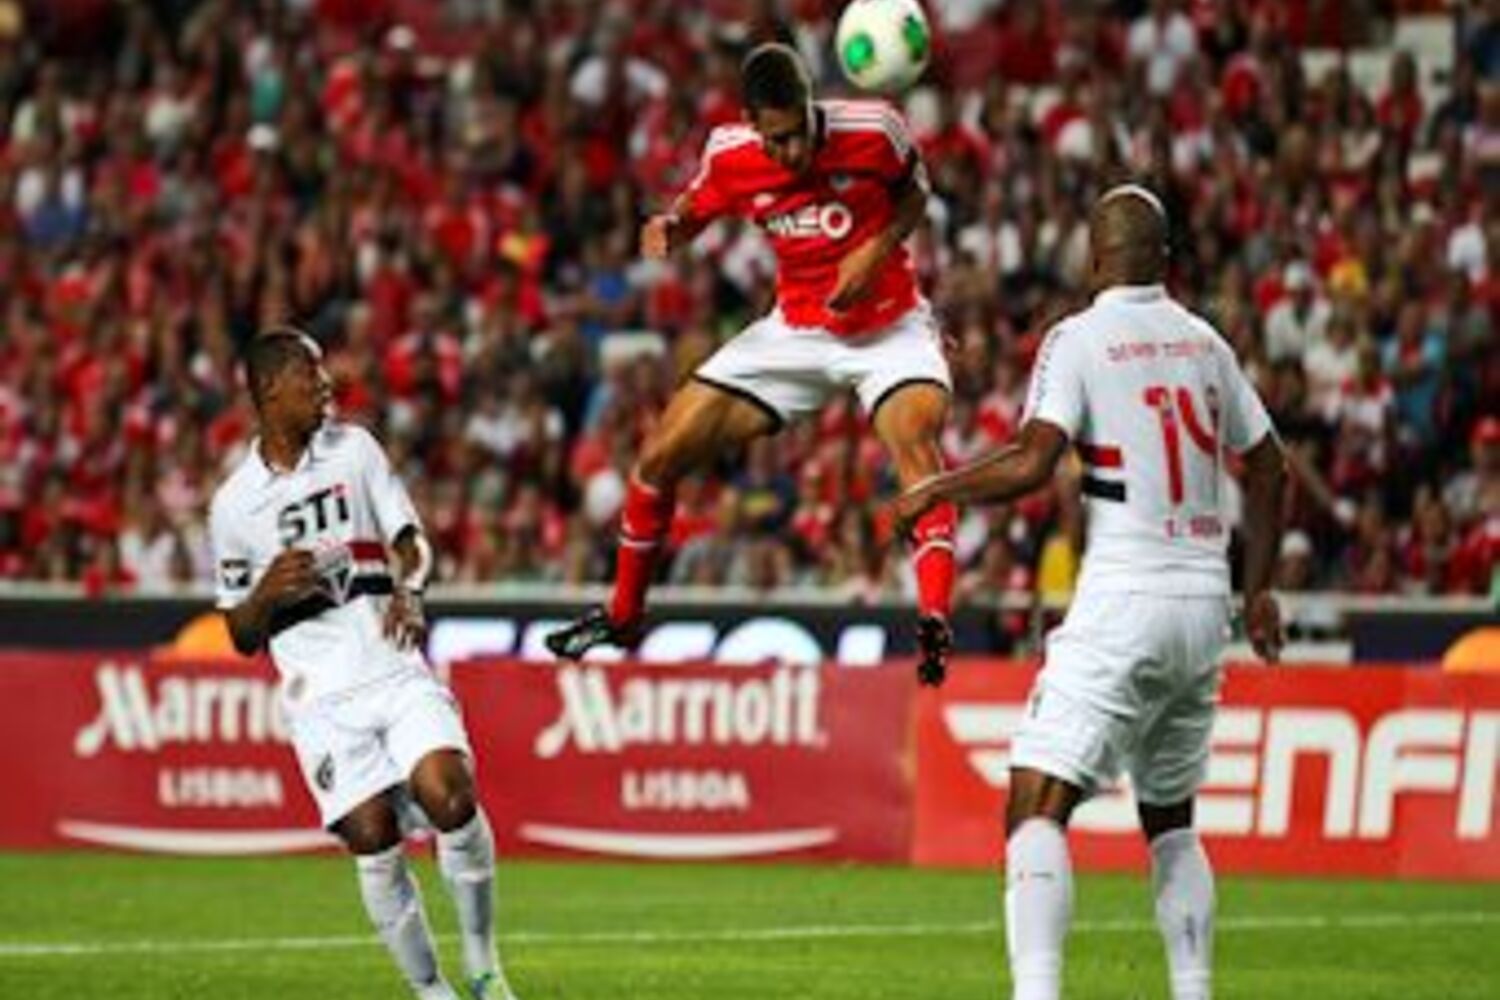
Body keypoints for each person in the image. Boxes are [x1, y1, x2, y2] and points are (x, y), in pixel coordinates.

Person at [890, 185, 1286, 1000]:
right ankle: (1193, 991)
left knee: (1035, 803)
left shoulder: (1077, 338)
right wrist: (1259, 592)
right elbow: (1271, 463)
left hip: (1125, 596)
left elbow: (1033, 461)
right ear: (1164, 259)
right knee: (1170, 818)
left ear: (1095, 258)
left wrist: (938, 487)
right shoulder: (1206, 341)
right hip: (1204, 605)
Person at [545, 42, 958, 684]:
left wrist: (875, 252)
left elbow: (917, 192)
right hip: (793, 330)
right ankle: (624, 615)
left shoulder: (875, 130)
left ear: (812, 107)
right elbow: (694, 209)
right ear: (751, 123)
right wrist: (670, 228)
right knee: (658, 457)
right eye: (777, 140)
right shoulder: (730, 155)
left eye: (800, 133)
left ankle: (934, 620)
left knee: (918, 452)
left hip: (889, 325)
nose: (791, 152)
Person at [209, 328, 520, 1000]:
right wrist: (264, 594)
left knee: (451, 795)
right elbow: (239, 633)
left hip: (392, 661)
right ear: (270, 389)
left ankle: (484, 967)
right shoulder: (233, 505)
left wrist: (413, 590)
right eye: (309, 373)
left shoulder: (355, 449)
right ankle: (432, 992)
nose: (326, 384)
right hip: (320, 700)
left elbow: (412, 541)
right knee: (373, 836)